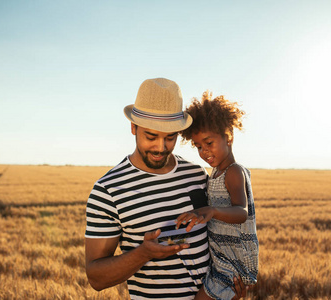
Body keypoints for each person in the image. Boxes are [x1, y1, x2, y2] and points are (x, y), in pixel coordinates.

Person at [84, 78, 247, 300]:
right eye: (151, 136)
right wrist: (144, 253)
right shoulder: (108, 191)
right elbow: (96, 278)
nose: (161, 148)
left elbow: (218, 238)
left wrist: (228, 290)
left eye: (170, 138)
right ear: (133, 127)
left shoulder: (197, 176)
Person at [176, 91, 259, 300]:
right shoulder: (216, 173)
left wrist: (211, 211)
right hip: (222, 259)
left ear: (228, 136)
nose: (204, 151)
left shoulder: (233, 171)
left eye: (209, 143)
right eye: (198, 146)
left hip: (233, 264)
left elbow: (241, 212)